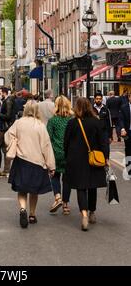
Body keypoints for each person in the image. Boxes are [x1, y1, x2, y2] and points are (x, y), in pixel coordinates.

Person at [5, 101, 55, 228]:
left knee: (22, 189)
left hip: (21, 160)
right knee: (34, 190)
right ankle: (32, 214)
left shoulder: (18, 123)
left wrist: (15, 141)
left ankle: (22, 209)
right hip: (37, 162)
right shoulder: (40, 125)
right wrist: (51, 166)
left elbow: (7, 137)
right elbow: (46, 146)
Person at [64, 97, 107, 231]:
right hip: (93, 158)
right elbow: (103, 141)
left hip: (76, 159)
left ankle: (83, 213)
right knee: (92, 185)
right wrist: (106, 158)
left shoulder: (72, 123)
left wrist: (67, 157)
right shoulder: (96, 122)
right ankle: (92, 212)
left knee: (81, 187)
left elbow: (66, 142)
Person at [47, 96, 73, 215]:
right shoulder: (72, 120)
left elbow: (48, 138)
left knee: (55, 175)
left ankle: (58, 197)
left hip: (55, 153)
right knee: (67, 179)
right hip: (69, 152)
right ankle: (66, 205)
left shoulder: (52, 120)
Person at [0, 87, 16, 177]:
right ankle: (6, 170)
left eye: (0, 93)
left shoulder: (8, 101)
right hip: (6, 128)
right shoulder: (7, 100)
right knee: (5, 149)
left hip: (3, 128)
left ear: (4, 93)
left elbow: (7, 116)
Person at [92, 92, 112, 158]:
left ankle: (106, 162)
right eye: (97, 99)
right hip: (94, 133)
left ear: (102, 99)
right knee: (95, 149)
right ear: (94, 99)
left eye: (100, 99)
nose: (98, 100)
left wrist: (110, 136)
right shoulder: (91, 109)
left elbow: (109, 123)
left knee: (105, 149)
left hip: (104, 133)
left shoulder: (106, 109)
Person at [118, 93, 131, 178]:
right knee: (129, 150)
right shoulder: (124, 107)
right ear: (129, 98)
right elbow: (121, 119)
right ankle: (129, 170)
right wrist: (122, 129)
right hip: (128, 132)